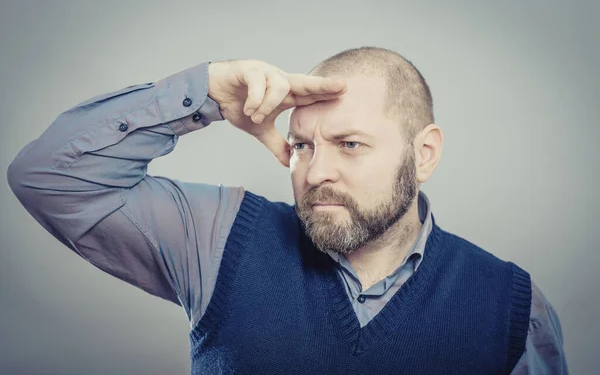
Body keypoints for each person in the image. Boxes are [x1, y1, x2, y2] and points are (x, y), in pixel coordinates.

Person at [7, 46, 568, 374]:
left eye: (349, 144)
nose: (314, 171)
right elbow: (48, 177)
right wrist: (204, 93)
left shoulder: (513, 308)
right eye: (303, 145)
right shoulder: (219, 237)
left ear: (423, 155)